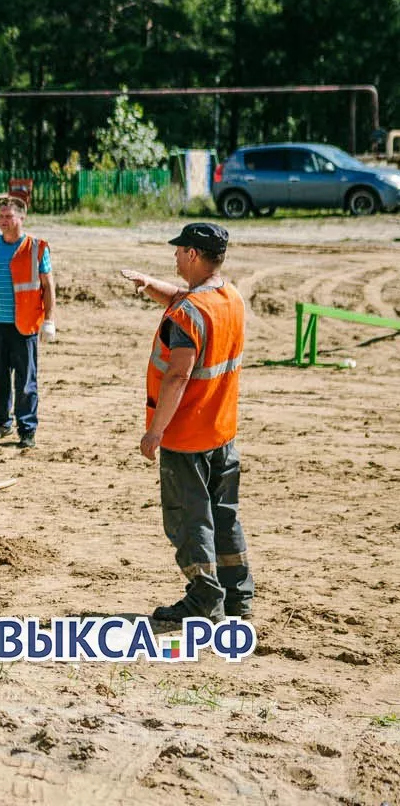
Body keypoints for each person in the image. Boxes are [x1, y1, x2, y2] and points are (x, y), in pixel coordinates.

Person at [121, 222, 253, 623]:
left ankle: (202, 598)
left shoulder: (188, 315)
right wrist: (149, 284)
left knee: (189, 519)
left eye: (179, 251)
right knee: (225, 514)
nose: (175, 256)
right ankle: (237, 599)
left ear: (193, 255)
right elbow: (187, 298)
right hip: (222, 432)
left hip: (187, 437)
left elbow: (178, 376)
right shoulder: (229, 298)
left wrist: (155, 431)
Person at [0, 196, 56, 449]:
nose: (4, 221)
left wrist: (49, 320)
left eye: (9, 217)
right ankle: (0, 423)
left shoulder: (36, 247)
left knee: (26, 381)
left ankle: (27, 430)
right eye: (1, 216)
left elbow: (48, 286)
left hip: (25, 326)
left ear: (21, 218)